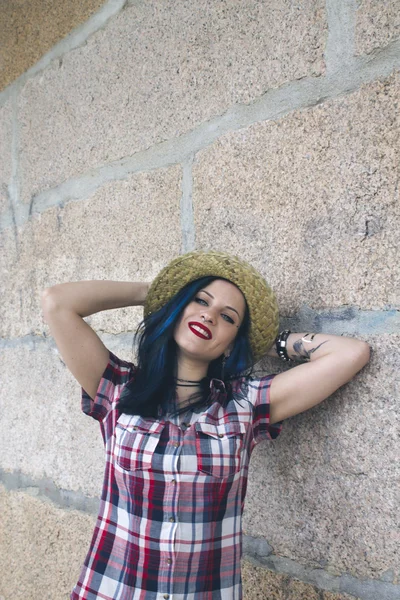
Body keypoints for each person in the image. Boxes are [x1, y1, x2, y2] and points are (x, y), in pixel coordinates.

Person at [41, 250, 370, 600]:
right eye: (199, 300)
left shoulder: (245, 404)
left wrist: (264, 342)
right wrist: (159, 294)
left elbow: (351, 353)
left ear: (231, 344)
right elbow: (58, 302)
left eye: (227, 318)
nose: (209, 315)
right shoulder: (118, 389)